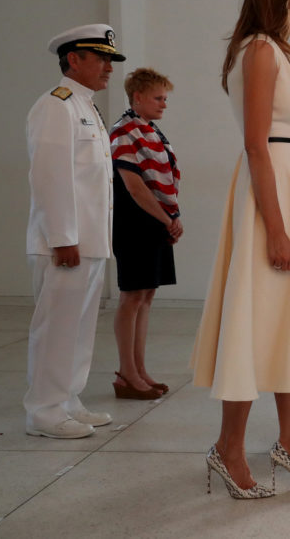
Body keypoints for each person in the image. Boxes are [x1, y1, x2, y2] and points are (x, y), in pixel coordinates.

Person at [189, 0, 290, 499]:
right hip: (270, 189)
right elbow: (258, 143)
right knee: (256, 321)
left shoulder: (286, 53)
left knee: (288, 324)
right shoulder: (258, 51)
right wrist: (277, 229)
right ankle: (229, 447)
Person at [25, 24, 125, 439]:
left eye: (110, 60)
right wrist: (63, 237)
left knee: (80, 328)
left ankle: (68, 400)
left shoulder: (86, 106)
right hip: (66, 243)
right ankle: (44, 412)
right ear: (73, 60)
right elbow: (50, 177)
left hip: (90, 241)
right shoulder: (57, 105)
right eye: (100, 58)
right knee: (57, 329)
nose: (108, 68)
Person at [109, 68, 182, 401]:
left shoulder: (151, 131)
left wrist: (170, 217)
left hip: (153, 221)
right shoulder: (124, 131)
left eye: (165, 98)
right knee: (131, 297)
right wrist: (167, 219)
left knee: (146, 297)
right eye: (158, 98)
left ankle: (139, 370)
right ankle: (126, 373)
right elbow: (135, 187)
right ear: (137, 97)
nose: (163, 104)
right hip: (134, 223)